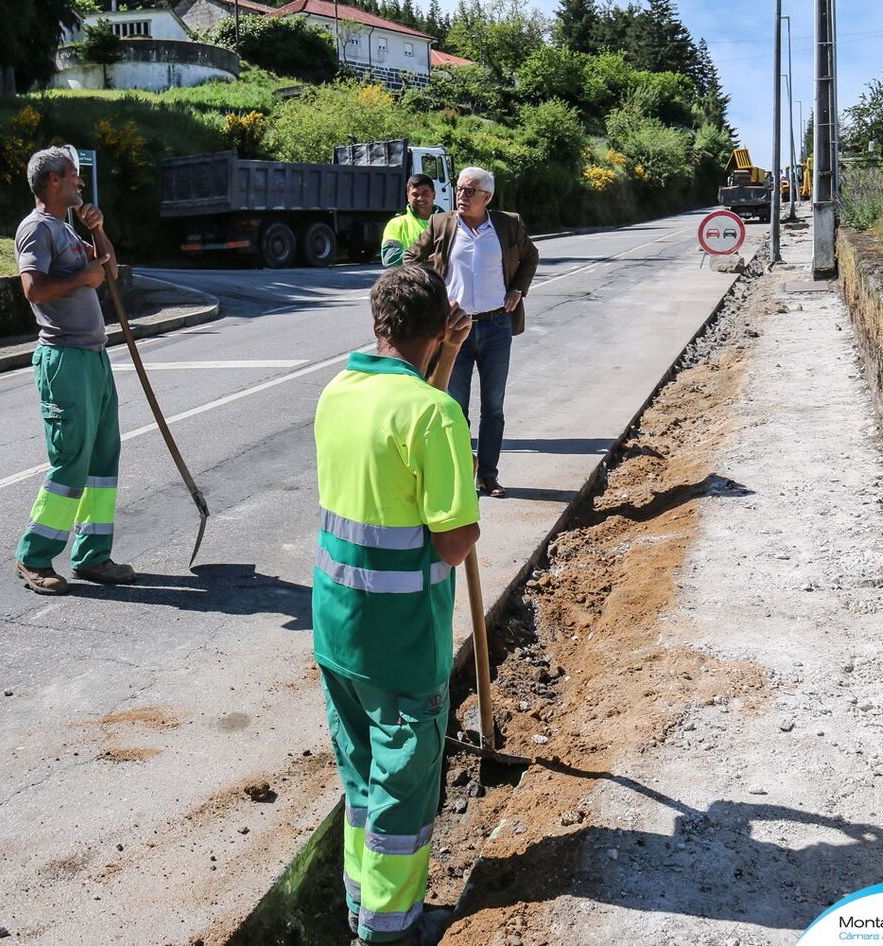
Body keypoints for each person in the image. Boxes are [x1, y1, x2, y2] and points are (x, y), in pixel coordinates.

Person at [312, 265, 481, 946]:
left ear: (377, 322)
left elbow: (400, 424)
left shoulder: (339, 389)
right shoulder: (436, 416)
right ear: (440, 326)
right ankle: (389, 930)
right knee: (405, 790)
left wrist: (445, 354)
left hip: (337, 628)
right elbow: (453, 544)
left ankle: (362, 907)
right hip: (402, 640)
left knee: (361, 780)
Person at [13, 146, 137, 595]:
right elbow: (33, 289)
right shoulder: (36, 229)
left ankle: (93, 556)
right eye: (72, 176)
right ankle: (34, 556)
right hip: (63, 359)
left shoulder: (66, 229)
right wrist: (81, 279)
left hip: (94, 356)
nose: (79, 183)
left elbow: (109, 271)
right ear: (52, 181)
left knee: (103, 460)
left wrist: (97, 231)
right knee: (71, 461)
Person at [404, 166, 539, 499]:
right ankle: (464, 473)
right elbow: (410, 259)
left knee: (493, 407)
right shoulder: (442, 224)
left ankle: (488, 476)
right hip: (454, 331)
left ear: (487, 197)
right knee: (455, 408)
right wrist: (437, 293)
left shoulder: (509, 225)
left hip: (496, 326)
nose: (461, 195)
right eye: (459, 188)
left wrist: (518, 290)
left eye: (469, 190)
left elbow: (530, 257)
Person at [380, 174, 442, 268]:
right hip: (410, 282)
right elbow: (390, 258)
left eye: (425, 194)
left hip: (442, 282)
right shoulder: (396, 225)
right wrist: (427, 259)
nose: (420, 198)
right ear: (408, 197)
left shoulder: (450, 223)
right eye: (415, 194)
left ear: (434, 195)